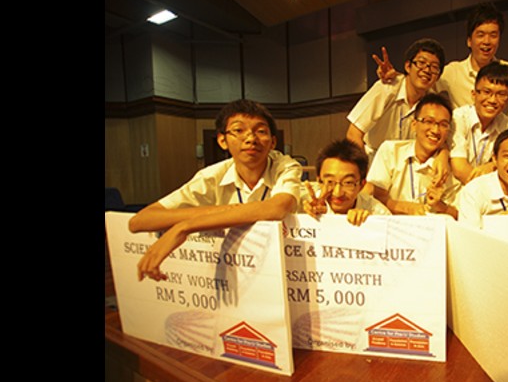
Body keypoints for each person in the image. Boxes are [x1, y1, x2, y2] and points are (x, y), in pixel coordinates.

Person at [128, 99, 302, 281]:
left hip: (281, 265)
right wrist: (221, 211)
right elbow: (139, 221)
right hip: (234, 270)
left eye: (260, 131)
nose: (251, 139)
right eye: (238, 130)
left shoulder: (285, 166)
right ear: (222, 140)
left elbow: (276, 208)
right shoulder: (211, 176)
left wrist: (185, 226)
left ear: (273, 142)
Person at [373, 4, 508, 112]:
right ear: (469, 40)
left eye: (493, 35)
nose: (487, 41)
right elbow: (421, 82)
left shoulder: (505, 69)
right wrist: (397, 76)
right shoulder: (452, 71)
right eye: (481, 35)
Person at [346, 38, 446, 161]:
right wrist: (363, 173)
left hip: (407, 163)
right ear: (408, 66)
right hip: (374, 158)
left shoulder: (431, 104)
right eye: (421, 63)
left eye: (434, 67)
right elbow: (354, 133)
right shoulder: (386, 88)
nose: (427, 70)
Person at [366, 93, 460, 218]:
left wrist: (439, 206)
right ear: (414, 125)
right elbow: (376, 197)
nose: (435, 130)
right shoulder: (391, 151)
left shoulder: (450, 167)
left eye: (443, 125)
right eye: (428, 121)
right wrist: (409, 208)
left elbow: (460, 215)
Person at [449, 62, 508, 184]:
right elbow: (459, 169)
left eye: (501, 94)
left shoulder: (507, 126)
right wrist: (495, 166)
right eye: (487, 92)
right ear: (474, 94)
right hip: (452, 193)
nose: (492, 100)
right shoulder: (458, 118)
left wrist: (492, 165)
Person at [301, 139, 390, 226]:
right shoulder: (305, 207)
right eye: (330, 182)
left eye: (348, 183)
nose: (338, 193)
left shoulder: (378, 213)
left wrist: (369, 224)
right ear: (319, 181)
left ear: (362, 185)